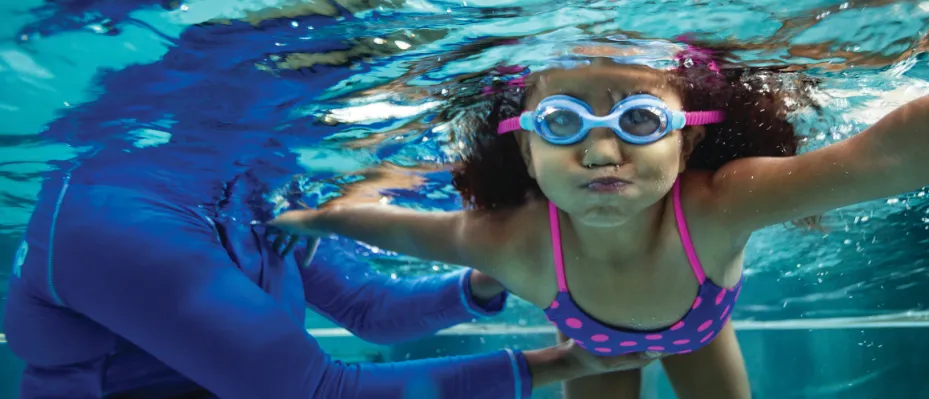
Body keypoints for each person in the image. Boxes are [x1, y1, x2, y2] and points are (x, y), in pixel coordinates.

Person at [270, 18, 929, 399]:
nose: (601, 152)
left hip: (697, 330)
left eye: (640, 120)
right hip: (590, 349)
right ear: (524, 148)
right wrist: (316, 220)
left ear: (688, 140)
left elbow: (887, 153)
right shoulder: (520, 242)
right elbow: (403, 228)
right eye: (565, 123)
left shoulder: (716, 205)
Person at [3, 8, 661, 399]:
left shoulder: (249, 187)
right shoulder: (113, 209)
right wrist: (559, 364)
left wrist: (494, 273)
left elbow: (365, 308)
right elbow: (315, 391)